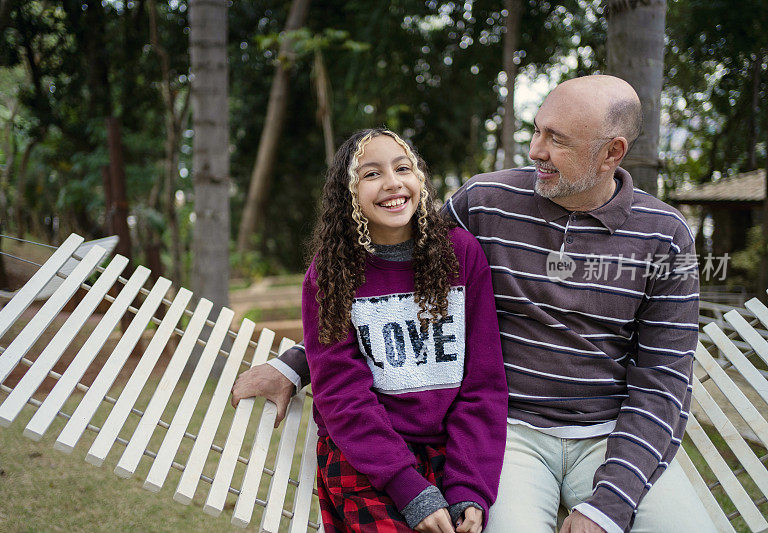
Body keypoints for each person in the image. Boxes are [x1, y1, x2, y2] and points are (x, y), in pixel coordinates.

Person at [232, 75, 715, 533]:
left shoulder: (666, 235)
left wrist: (610, 504)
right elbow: (386, 271)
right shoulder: (486, 201)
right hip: (509, 433)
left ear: (612, 153)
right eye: (536, 130)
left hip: (610, 432)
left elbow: (664, 382)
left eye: (558, 140)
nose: (535, 151)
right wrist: (301, 361)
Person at [293, 128, 507, 533]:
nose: (392, 182)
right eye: (371, 174)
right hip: (367, 451)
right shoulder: (331, 274)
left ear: (419, 179)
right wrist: (409, 488)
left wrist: (469, 488)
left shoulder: (460, 254)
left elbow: (483, 384)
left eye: (402, 168)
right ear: (348, 194)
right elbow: (341, 393)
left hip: (449, 447)